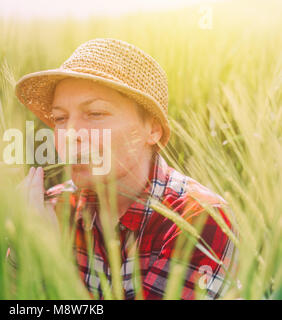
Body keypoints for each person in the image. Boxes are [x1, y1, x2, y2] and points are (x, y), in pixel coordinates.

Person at [14, 38, 237, 299]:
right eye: (60, 119)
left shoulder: (199, 219)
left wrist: (51, 261)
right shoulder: (48, 209)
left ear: (152, 129)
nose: (69, 134)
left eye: (95, 113)